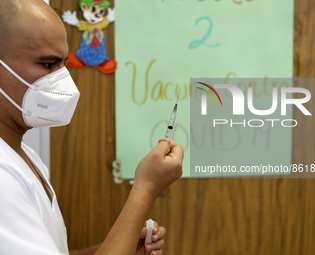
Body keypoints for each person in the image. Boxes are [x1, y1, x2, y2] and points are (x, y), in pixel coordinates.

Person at [0, 0, 184, 254]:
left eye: (63, 63)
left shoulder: (24, 156)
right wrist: (145, 188)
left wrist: (125, 245)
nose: (62, 81)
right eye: (47, 64)